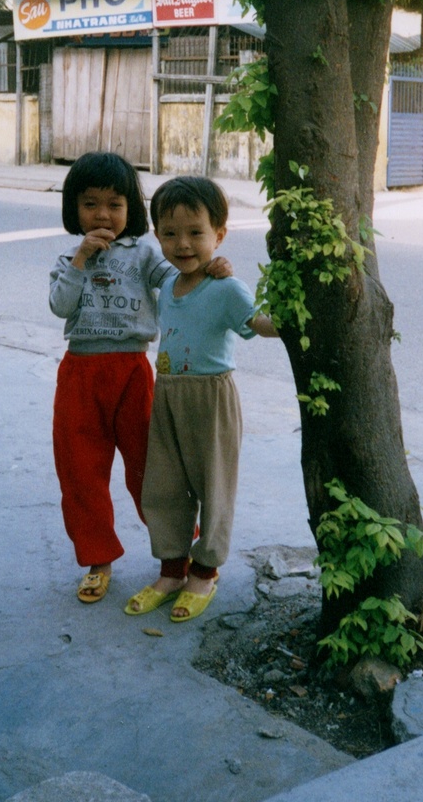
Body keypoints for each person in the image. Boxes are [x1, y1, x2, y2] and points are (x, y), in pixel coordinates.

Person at [49, 152, 229, 604]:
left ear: (132, 208)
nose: (103, 214)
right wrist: (80, 259)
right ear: (74, 208)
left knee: (153, 470)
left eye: (115, 203)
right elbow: (60, 306)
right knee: (80, 471)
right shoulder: (69, 258)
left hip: (132, 370)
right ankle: (97, 559)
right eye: (91, 204)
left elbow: (181, 278)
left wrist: (213, 268)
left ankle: (180, 554)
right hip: (80, 373)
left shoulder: (146, 252)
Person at [125, 176, 278, 623]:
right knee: (164, 489)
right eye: (170, 234)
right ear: (157, 237)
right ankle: (172, 569)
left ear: (219, 235)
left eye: (196, 233)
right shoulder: (169, 285)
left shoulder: (225, 288)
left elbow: (257, 323)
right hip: (168, 397)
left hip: (212, 400)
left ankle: (205, 571)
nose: (183, 244)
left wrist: (292, 318)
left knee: (215, 488)